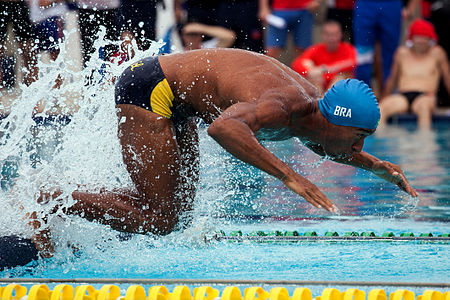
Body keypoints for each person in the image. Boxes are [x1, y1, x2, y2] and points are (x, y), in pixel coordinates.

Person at [1, 49, 417, 270]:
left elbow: (331, 146)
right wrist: (290, 178)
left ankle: (71, 206)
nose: (357, 149)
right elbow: (223, 129)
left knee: (172, 214)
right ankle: (51, 195)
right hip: (151, 88)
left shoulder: (317, 115)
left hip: (177, 100)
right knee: (161, 218)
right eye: (359, 139)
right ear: (337, 121)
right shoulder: (282, 106)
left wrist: (375, 168)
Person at [379, 19, 450, 129]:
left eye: (424, 37)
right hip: (403, 96)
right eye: (418, 37)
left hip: (426, 96)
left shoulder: (437, 53)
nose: (421, 41)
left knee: (424, 107)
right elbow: (392, 80)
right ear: (411, 38)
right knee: (382, 108)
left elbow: (447, 79)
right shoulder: (402, 53)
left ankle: (425, 143)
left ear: (430, 39)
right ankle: (377, 143)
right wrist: (384, 97)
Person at [291, 20, 356, 95]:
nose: (331, 38)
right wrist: (310, 70)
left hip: (340, 90)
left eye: (334, 34)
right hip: (320, 85)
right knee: (310, 69)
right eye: (328, 35)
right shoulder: (316, 49)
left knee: (340, 78)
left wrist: (326, 69)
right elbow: (297, 63)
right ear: (322, 35)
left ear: (341, 35)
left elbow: (354, 62)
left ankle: (326, 100)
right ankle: (321, 101)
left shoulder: (348, 49)